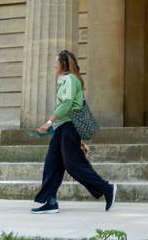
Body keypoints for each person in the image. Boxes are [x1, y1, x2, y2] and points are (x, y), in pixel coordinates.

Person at [31, 49, 115, 213]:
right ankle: (51, 201)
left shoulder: (69, 79)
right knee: (52, 164)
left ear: (62, 64)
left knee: (73, 165)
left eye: (56, 61)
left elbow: (67, 103)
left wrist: (49, 122)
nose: (54, 64)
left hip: (68, 126)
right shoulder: (65, 79)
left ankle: (107, 188)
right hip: (63, 128)